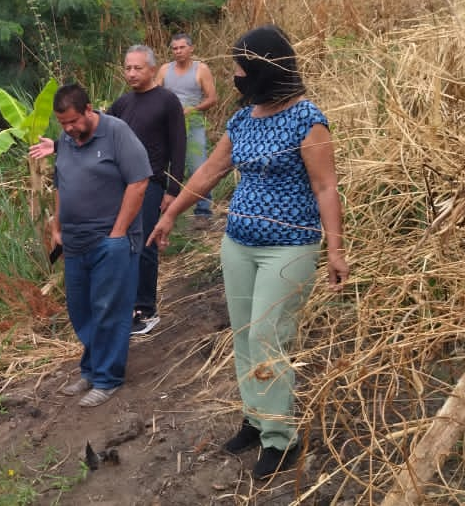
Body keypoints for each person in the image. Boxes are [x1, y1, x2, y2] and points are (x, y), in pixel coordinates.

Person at [147, 25, 350, 480]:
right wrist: (171, 214)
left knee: (268, 338)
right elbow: (209, 174)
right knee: (243, 335)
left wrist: (335, 251)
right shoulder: (242, 120)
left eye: (241, 67)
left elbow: (325, 186)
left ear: (265, 68)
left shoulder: (307, 119)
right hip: (238, 243)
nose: (235, 75)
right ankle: (256, 420)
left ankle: (282, 437)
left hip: (290, 246)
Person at [31, 47, 185, 338]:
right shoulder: (123, 103)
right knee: (123, 245)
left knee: (145, 244)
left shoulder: (167, 100)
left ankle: (144, 308)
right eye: (127, 68)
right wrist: (59, 144)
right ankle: (123, 307)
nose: (131, 73)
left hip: (150, 180)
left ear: (152, 70)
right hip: (119, 183)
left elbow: (179, 144)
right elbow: (87, 132)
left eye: (138, 68)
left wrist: (173, 188)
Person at [47, 83, 151, 408]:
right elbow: (60, 183)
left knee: (110, 309)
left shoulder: (117, 133)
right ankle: (90, 370)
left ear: (89, 109)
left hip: (111, 240)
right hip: (76, 241)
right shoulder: (66, 139)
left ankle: (108, 378)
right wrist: (56, 225)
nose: (68, 129)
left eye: (74, 121)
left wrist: (119, 232)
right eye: (62, 123)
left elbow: (139, 182)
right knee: (81, 309)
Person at [156, 33, 218, 225]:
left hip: (193, 123)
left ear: (191, 49)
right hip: (167, 123)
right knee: (163, 166)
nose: (178, 52)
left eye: (182, 47)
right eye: (174, 48)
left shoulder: (201, 69)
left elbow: (212, 98)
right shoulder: (165, 69)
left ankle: (203, 211)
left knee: (198, 166)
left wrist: (193, 109)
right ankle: (162, 209)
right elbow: (154, 92)